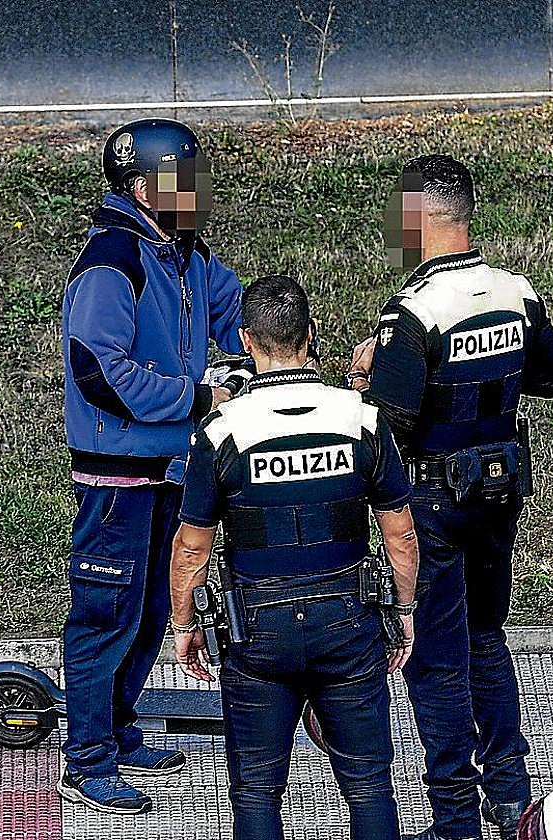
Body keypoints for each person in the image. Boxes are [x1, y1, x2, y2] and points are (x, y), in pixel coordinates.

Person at [345, 154, 553, 840]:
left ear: (419, 218)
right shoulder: (517, 290)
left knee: (434, 659)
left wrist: (365, 376)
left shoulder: (412, 311)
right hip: (500, 496)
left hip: (433, 505)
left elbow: (390, 426)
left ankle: (454, 821)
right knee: (487, 638)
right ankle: (510, 796)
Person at [170, 275, 420, 840]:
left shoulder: (222, 431)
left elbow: (193, 545)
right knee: (369, 785)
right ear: (313, 334)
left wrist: (184, 624)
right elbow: (401, 534)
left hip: (257, 630)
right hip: (349, 622)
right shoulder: (362, 420)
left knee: (256, 791)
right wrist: (404, 612)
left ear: (244, 340)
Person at [58, 117, 244, 815]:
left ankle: (118, 728)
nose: (198, 193)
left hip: (170, 467)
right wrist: (198, 397)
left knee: (152, 611)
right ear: (143, 188)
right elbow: (98, 372)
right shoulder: (114, 262)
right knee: (105, 616)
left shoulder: (185, 254)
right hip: (117, 481)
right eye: (185, 182)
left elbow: (234, 307)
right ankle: (85, 761)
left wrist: (275, 346)